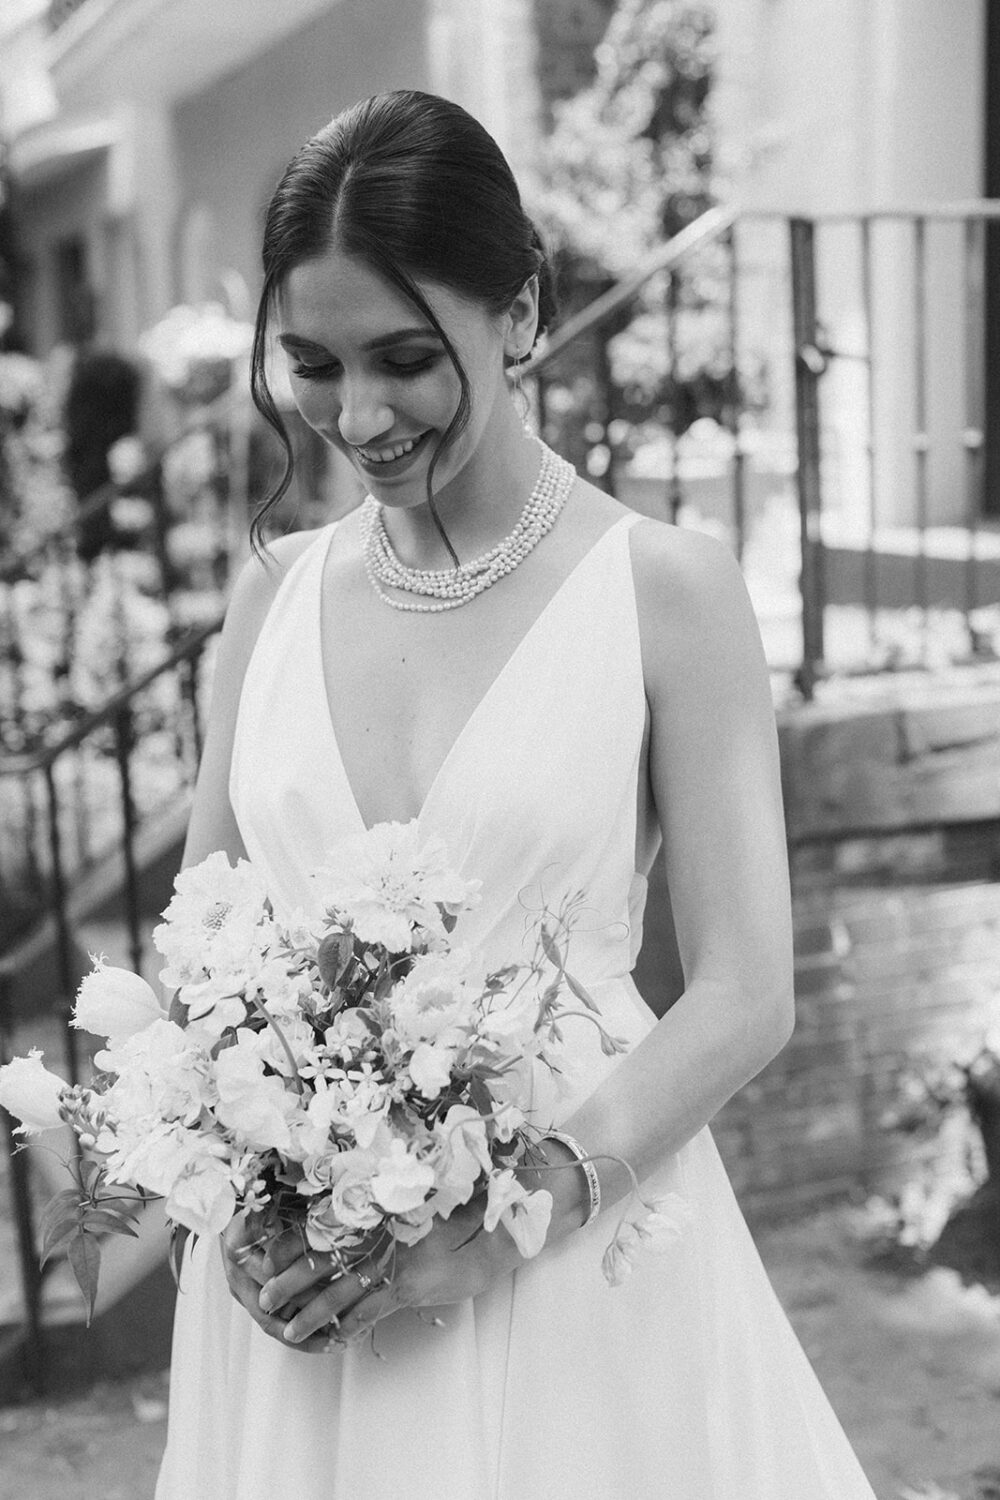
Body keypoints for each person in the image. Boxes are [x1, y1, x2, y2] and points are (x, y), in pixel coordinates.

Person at [155, 90, 877, 1499]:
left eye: (406, 359)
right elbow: (204, 943)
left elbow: (745, 990)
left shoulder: (665, 591)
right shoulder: (271, 599)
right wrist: (235, 1194)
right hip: (302, 1292)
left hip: (577, 1269)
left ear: (524, 313)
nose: (356, 416)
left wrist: (515, 1211)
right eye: (312, 361)